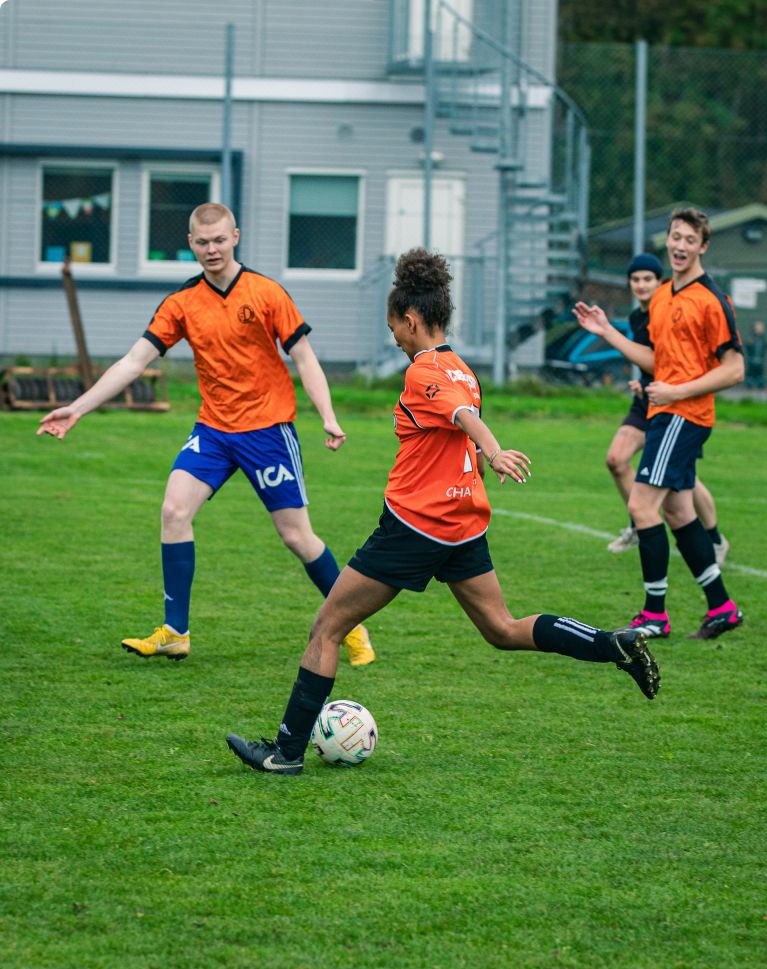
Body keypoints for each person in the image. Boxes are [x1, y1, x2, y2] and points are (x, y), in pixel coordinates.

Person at [225, 248, 660, 777]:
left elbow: (461, 414)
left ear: (411, 320)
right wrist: (482, 455)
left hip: (414, 526)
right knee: (502, 628)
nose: (394, 337)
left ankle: (285, 753)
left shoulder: (424, 372)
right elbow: (459, 420)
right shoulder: (463, 367)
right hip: (462, 525)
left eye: (394, 328)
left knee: (328, 628)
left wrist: (493, 449)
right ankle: (609, 645)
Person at [37, 202, 375, 666]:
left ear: (235, 236)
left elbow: (304, 357)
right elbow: (134, 362)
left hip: (268, 430)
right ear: (191, 243)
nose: (212, 249)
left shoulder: (266, 292)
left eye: (219, 240)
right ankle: (175, 632)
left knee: (297, 538)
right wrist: (77, 408)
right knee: (174, 511)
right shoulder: (182, 303)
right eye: (202, 241)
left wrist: (328, 415)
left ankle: (351, 625)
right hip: (214, 431)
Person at [574, 207, 745, 640]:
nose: (680, 246)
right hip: (666, 412)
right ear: (666, 241)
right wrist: (607, 332)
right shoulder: (664, 295)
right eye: (675, 237)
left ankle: (655, 614)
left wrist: (677, 391)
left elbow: (734, 368)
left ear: (703, 246)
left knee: (641, 507)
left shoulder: (711, 300)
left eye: (690, 240)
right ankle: (722, 606)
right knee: (677, 510)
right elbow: (658, 362)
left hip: (683, 416)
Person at [606, 253, 730, 570]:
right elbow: (651, 359)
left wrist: (656, 382)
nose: (641, 285)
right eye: (635, 279)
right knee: (616, 459)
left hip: (676, 403)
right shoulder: (637, 317)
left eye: (648, 279)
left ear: (660, 281)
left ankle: (715, 539)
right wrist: (642, 383)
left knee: (684, 481)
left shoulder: (677, 307)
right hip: (646, 400)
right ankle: (638, 522)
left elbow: (677, 362)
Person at [744, 320, 767, 388]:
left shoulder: (763, 338)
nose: (760, 329)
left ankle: (760, 383)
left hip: (760, 359)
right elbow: (747, 344)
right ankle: (749, 383)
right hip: (751, 359)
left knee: (760, 372)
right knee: (751, 372)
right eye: (758, 328)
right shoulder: (751, 337)